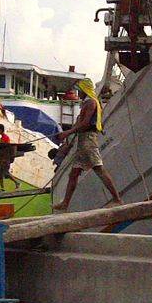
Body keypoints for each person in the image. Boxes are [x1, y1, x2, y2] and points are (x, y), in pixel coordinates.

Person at [53, 78, 122, 211]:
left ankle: (117, 199)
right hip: (83, 141)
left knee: (99, 169)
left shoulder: (90, 102)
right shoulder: (89, 102)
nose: (78, 93)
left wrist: (67, 133)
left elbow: (84, 124)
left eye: (80, 90)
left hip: (88, 141)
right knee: (73, 174)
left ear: (85, 90)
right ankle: (65, 204)